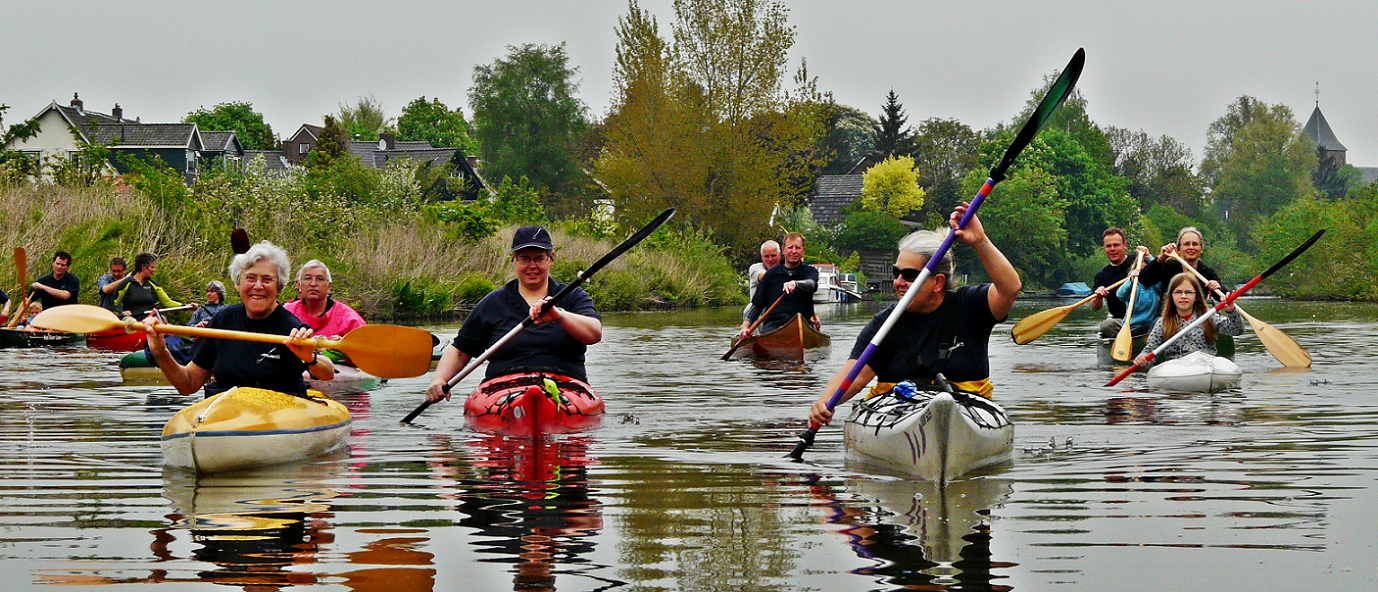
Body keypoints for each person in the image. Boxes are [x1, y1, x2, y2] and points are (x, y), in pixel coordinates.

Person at [809, 202, 1020, 427]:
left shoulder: (970, 306)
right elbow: (855, 374)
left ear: (938, 283)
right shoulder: (884, 324)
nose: (898, 282)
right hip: (898, 416)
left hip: (968, 413)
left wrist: (980, 241)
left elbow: (1010, 289)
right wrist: (824, 403)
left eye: (909, 275)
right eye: (896, 273)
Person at [425, 225, 602, 404]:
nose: (532, 266)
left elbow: (594, 333)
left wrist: (559, 316)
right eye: (524, 259)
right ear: (513, 259)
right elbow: (460, 351)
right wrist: (439, 379)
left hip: (566, 388)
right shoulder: (493, 303)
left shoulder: (573, 297)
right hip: (502, 391)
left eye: (539, 258)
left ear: (551, 258)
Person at [143, 241, 334, 398]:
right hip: (226, 411)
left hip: (277, 414)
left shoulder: (292, 327)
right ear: (238, 284)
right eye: (250, 278)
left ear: (278, 288)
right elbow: (188, 384)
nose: (258, 286)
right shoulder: (222, 321)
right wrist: (159, 350)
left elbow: (328, 373)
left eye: (267, 280)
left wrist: (310, 357)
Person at [1134, 273, 1243, 367]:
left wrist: (1231, 311)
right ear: (1171, 296)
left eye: (1188, 292)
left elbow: (1236, 330)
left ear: (1196, 296)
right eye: (1178, 292)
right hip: (1177, 369)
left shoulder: (1209, 317)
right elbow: (1150, 351)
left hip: (1206, 366)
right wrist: (1143, 358)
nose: (1183, 296)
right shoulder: (1162, 323)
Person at [739, 232, 818, 338]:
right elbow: (758, 305)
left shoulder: (810, 271)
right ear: (783, 250)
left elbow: (811, 284)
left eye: (797, 248)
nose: (794, 251)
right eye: (790, 247)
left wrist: (795, 284)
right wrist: (745, 326)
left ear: (803, 250)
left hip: (802, 324)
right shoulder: (770, 274)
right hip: (773, 325)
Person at [283, 260, 366, 339]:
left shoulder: (349, 319)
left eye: (320, 279)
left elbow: (367, 345)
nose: (313, 284)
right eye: (308, 278)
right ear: (300, 285)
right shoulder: (287, 311)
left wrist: (341, 346)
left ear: (329, 286)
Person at [1139, 226, 1222, 296]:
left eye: (1195, 244)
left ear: (1201, 249)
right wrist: (1160, 259)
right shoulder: (1169, 267)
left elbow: (1222, 297)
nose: (1191, 247)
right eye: (1186, 244)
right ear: (1179, 249)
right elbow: (1144, 280)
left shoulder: (1207, 272)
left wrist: (1217, 287)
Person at [114, 253, 194, 320]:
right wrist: (122, 312)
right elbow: (114, 304)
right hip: (131, 321)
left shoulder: (153, 284)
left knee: (162, 319)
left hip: (150, 319)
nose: (154, 270)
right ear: (143, 267)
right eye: (152, 267)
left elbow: (168, 302)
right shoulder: (126, 283)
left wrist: (186, 306)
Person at [1091, 227, 1134, 338]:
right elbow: (1095, 307)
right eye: (1108, 246)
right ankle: (1121, 342)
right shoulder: (1101, 276)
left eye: (1116, 245)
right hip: (1120, 321)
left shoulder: (1139, 262)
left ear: (1125, 245)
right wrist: (1098, 297)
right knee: (1106, 326)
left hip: (1146, 317)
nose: (1112, 249)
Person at [1115, 246, 1161, 336]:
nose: (1144, 274)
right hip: (1131, 327)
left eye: (1147, 271)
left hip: (1150, 327)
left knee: (1157, 322)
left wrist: (1148, 257)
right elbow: (1120, 295)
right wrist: (1131, 280)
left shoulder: (1155, 286)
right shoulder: (1132, 286)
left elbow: (1157, 268)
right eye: (1141, 271)